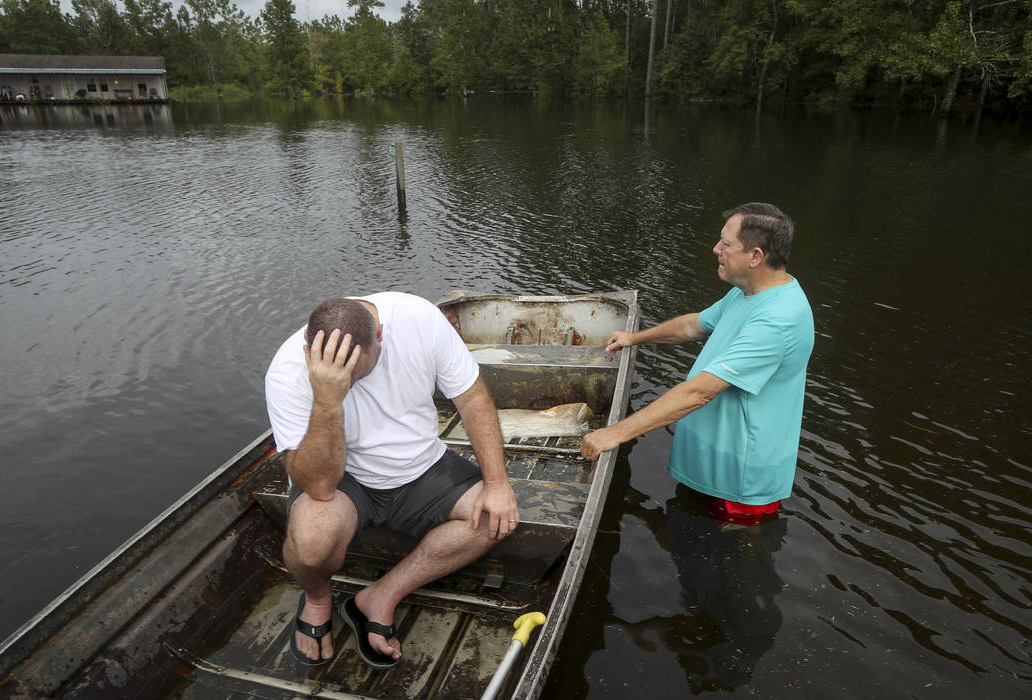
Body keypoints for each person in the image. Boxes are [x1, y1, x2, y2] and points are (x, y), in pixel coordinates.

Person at [265, 292, 519, 669]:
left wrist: (497, 484)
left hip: (424, 469)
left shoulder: (419, 319)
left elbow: (472, 399)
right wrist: (328, 399)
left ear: (380, 333)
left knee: (496, 518)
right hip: (344, 481)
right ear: (308, 348)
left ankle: (380, 596)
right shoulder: (287, 371)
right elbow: (318, 486)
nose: (350, 383)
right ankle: (318, 599)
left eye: (359, 372)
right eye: (342, 377)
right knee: (311, 541)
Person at [581, 202, 814, 520]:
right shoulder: (749, 291)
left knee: (727, 558)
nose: (716, 248)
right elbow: (694, 324)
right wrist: (634, 338)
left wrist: (615, 433)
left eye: (726, 244)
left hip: (739, 484)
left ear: (755, 256)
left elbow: (700, 391)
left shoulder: (779, 319)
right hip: (711, 466)